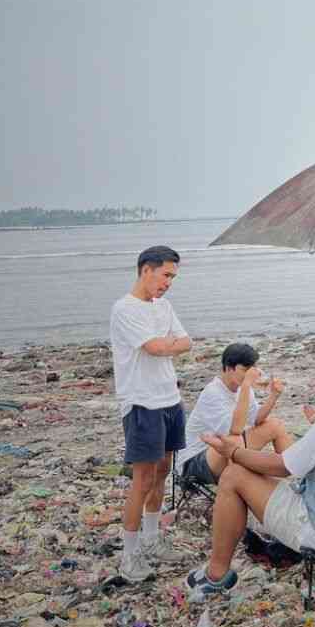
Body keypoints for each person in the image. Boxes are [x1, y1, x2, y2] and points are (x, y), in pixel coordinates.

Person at [184, 335, 315, 598]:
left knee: (233, 475)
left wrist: (234, 452)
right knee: (251, 469)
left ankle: (216, 575)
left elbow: (283, 467)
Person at [110, 245, 191, 582]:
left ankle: (152, 538)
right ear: (146, 270)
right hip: (142, 403)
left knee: (162, 472)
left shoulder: (165, 306)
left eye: (173, 276)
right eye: (166, 275)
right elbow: (156, 347)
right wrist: (166, 345)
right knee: (142, 481)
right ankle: (129, 556)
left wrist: (166, 345)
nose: (169, 282)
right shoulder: (124, 309)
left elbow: (185, 341)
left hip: (169, 399)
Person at [177, 342, 293, 486]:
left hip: (226, 451)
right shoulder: (212, 392)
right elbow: (234, 430)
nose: (249, 375)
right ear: (229, 368)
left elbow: (256, 419)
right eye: (245, 369)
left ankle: (294, 476)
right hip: (194, 462)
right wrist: (246, 385)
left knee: (274, 425)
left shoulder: (242, 389)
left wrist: (274, 396)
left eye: (251, 369)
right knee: (234, 439)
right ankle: (239, 489)